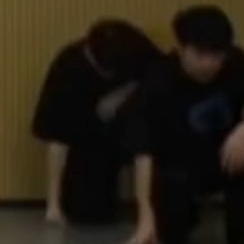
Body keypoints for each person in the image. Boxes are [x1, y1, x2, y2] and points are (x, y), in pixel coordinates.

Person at [120, 6, 244, 244]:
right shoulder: (159, 79)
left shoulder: (236, 63)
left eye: (217, 55)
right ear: (180, 48)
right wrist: (145, 216)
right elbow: (143, 152)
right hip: (177, 167)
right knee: (171, 236)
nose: (209, 64)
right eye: (200, 55)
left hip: (228, 159)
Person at [33, 19, 160, 227]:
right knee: (89, 214)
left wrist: (123, 93)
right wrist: (53, 205)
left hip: (139, 127)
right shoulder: (68, 68)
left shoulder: (136, 47)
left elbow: (161, 73)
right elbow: (58, 140)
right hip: (93, 141)